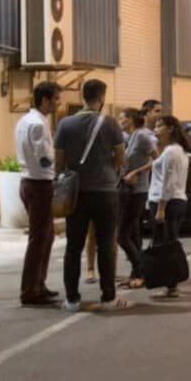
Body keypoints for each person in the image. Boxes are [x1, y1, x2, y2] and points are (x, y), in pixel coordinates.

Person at [54, 79, 132, 312]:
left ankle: (72, 299)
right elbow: (121, 159)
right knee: (106, 245)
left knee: (73, 246)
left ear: (82, 96)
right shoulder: (110, 124)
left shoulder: (65, 124)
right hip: (106, 192)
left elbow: (59, 161)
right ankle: (108, 297)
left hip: (76, 193)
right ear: (102, 98)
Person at [16, 81, 62, 307]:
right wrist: (58, 160)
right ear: (44, 99)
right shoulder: (38, 124)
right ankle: (30, 290)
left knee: (46, 236)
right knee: (39, 238)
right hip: (39, 183)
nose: (58, 102)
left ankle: (38, 284)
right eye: (55, 98)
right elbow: (43, 156)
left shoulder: (25, 120)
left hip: (29, 182)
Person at [147, 116, 190, 300]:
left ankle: (171, 286)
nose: (156, 129)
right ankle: (169, 285)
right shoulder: (174, 150)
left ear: (170, 128)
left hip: (168, 202)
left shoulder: (172, 152)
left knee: (164, 246)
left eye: (159, 126)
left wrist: (161, 208)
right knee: (167, 243)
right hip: (175, 201)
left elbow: (168, 182)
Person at [117, 108, 152, 289]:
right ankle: (136, 273)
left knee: (121, 236)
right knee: (133, 233)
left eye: (122, 117)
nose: (120, 120)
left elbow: (157, 158)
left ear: (130, 119)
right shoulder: (128, 138)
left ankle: (142, 268)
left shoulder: (142, 137)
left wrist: (136, 173)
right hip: (125, 190)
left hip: (138, 190)